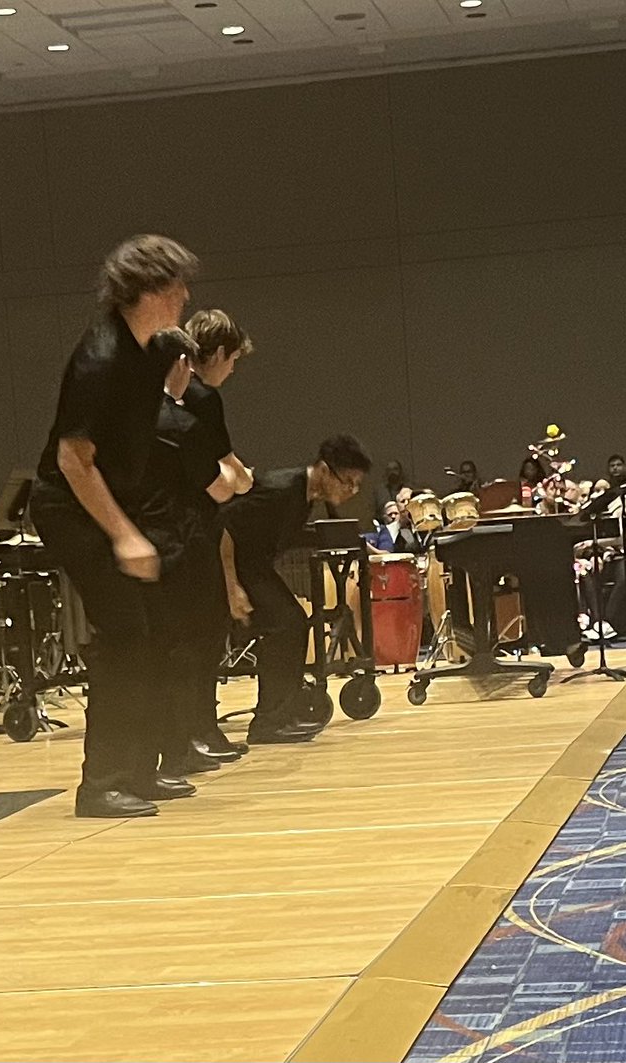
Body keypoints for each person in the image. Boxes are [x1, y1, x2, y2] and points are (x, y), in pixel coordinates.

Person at [29, 233, 198, 819]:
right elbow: (74, 461)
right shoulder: (99, 357)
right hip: (70, 506)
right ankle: (100, 784)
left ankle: (138, 770)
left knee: (150, 631)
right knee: (125, 634)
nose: (183, 294)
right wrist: (124, 534)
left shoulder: (150, 349)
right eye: (173, 284)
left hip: (109, 501)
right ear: (144, 290)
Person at [221, 435, 372, 744]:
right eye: (348, 482)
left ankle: (278, 716)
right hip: (229, 565)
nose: (351, 491)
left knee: (291, 623)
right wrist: (232, 586)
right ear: (324, 471)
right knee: (286, 623)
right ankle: (269, 722)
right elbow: (224, 527)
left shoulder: (304, 497)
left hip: (253, 565)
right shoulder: (281, 489)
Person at [158, 308, 256, 770]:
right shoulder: (199, 400)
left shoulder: (176, 404)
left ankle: (191, 733)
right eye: (232, 359)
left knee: (191, 636)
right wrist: (244, 479)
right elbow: (227, 471)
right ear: (213, 354)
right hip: (194, 526)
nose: (233, 370)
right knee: (203, 633)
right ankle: (198, 731)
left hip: (178, 525)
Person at [576, 479, 626, 637]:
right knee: (586, 572)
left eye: (603, 490)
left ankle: (608, 621)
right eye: (596, 490)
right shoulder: (589, 513)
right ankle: (598, 622)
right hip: (606, 557)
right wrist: (593, 553)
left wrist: (596, 542)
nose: (600, 493)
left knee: (625, 570)